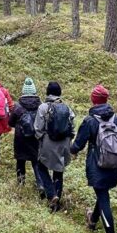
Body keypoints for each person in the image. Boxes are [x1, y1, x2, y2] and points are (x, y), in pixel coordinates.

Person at [70, 85, 117, 233]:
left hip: (97, 166)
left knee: (103, 197)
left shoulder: (90, 121)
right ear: (106, 100)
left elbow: (78, 145)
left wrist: (69, 150)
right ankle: (93, 220)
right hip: (115, 165)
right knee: (102, 193)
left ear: (93, 100)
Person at [34, 81, 74, 211]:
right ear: (59, 93)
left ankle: (52, 195)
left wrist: (41, 139)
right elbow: (72, 128)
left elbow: (38, 128)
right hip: (64, 144)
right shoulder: (67, 108)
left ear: (47, 92)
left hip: (48, 142)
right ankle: (56, 201)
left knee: (41, 166)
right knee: (59, 170)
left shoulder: (43, 107)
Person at [9, 78, 42, 188]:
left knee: (20, 160)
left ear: (23, 91)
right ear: (34, 91)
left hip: (20, 137)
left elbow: (10, 122)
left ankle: (21, 183)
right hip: (36, 137)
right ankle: (40, 184)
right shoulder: (40, 106)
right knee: (36, 161)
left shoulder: (17, 106)